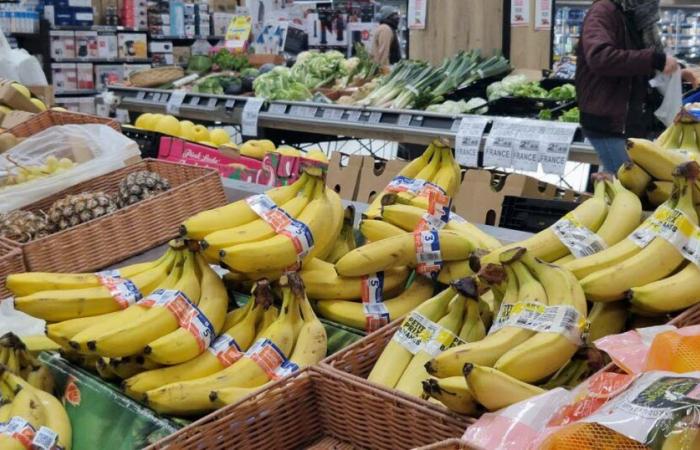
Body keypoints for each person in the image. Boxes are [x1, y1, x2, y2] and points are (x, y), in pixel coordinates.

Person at [576, 0, 697, 174]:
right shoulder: (604, 11)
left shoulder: (633, 17)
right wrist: (655, 60)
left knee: (626, 187)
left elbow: (636, 67)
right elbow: (600, 57)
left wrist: (676, 72)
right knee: (629, 189)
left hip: (631, 123)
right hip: (610, 125)